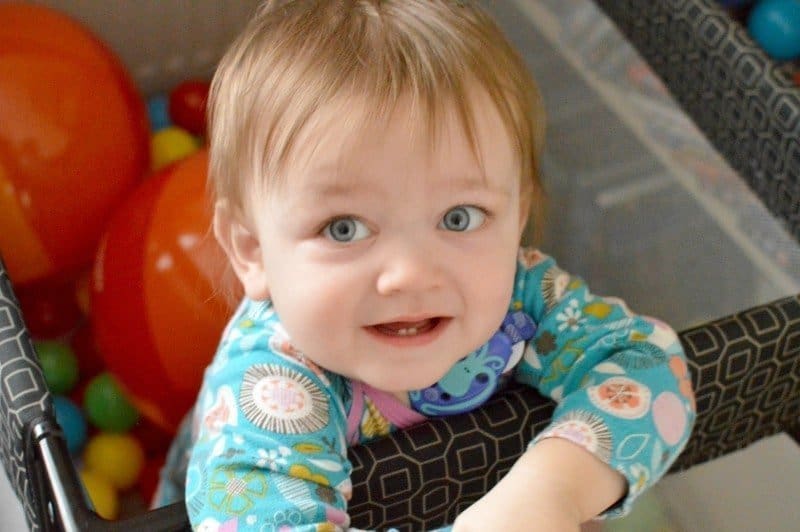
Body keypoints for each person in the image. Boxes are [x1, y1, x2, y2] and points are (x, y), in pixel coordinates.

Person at [155, 1, 696, 530]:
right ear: (252, 250)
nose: (411, 274)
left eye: (460, 218)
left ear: (517, 216)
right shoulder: (269, 386)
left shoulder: (523, 295)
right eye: (344, 228)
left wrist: (552, 492)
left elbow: (647, 364)